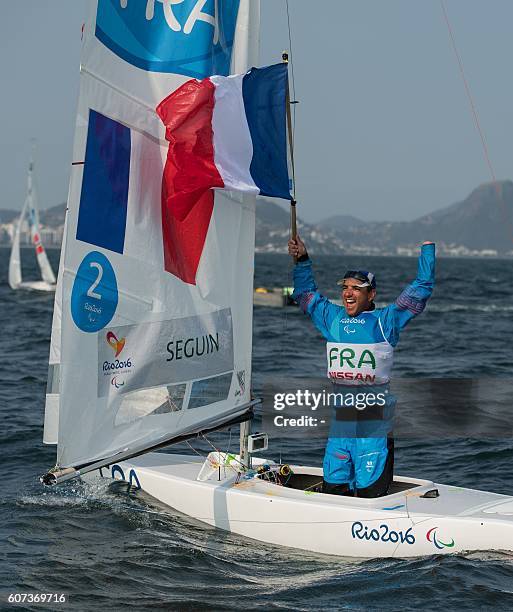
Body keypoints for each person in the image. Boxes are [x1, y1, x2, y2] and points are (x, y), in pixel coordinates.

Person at [288, 236, 435, 497]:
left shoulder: (385, 321)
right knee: (334, 489)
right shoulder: (332, 318)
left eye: (357, 288)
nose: (348, 293)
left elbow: (421, 288)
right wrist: (302, 260)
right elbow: (303, 294)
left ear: (371, 294)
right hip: (340, 427)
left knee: (369, 493)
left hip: (373, 428)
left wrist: (427, 250)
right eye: (345, 287)